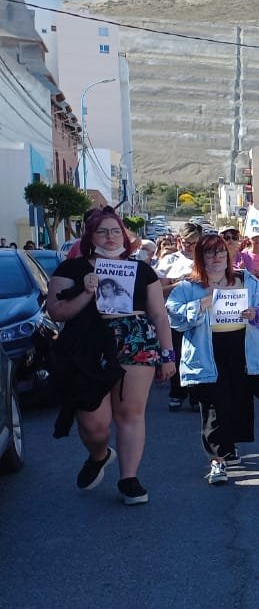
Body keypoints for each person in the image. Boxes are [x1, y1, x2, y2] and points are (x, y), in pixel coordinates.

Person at [46, 207, 176, 505]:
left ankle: (129, 478)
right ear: (90, 236)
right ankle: (99, 454)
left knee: (130, 413)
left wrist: (168, 355)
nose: (109, 236)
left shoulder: (141, 269)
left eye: (115, 231)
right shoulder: (71, 270)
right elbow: (56, 311)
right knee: (94, 420)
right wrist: (86, 292)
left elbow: (158, 314)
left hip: (134, 338)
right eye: (102, 231)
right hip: (86, 344)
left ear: (124, 235)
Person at [167, 235, 259, 485]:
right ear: (201, 258)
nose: (216, 257)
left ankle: (228, 447)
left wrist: (257, 314)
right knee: (213, 407)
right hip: (207, 353)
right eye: (209, 253)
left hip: (242, 350)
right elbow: (174, 318)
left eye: (220, 252)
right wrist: (199, 305)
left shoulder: (245, 280)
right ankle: (217, 461)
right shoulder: (188, 287)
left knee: (237, 401)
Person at [156, 223, 203, 411]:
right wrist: (180, 283)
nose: (190, 247)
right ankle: (177, 392)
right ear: (179, 241)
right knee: (177, 354)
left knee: (198, 355)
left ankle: (196, 394)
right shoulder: (169, 260)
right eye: (186, 243)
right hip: (174, 316)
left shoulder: (204, 259)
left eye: (194, 243)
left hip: (199, 315)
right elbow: (158, 290)